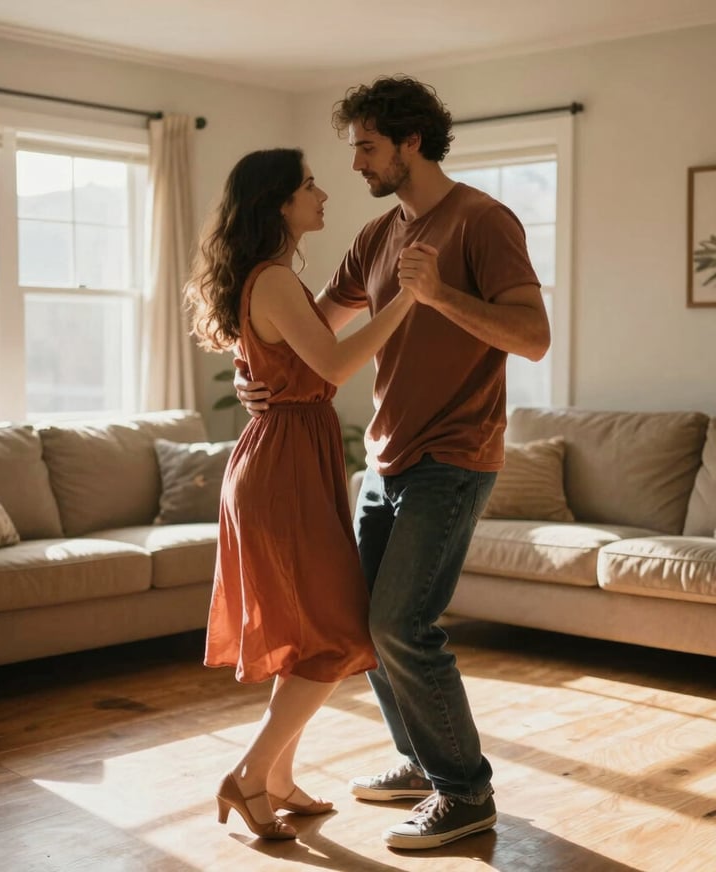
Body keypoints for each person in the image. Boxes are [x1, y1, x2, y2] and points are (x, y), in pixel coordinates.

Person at [234, 77, 551, 850]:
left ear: (412, 142)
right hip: (385, 457)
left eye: (368, 147)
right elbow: (318, 329)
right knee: (361, 625)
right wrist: (260, 372)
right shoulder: (377, 237)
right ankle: (416, 758)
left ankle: (465, 791)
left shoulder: (483, 221)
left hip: (456, 452)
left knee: (400, 622)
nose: (356, 165)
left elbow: (533, 336)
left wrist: (439, 296)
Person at [185, 147, 419, 841]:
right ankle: (251, 775)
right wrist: (410, 296)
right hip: (282, 468)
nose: (323, 193)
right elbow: (339, 362)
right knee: (334, 632)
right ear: (279, 203)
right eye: (309, 185)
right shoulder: (274, 280)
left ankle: (278, 777)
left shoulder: (276, 282)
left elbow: (300, 350)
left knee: (311, 635)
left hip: (285, 457)